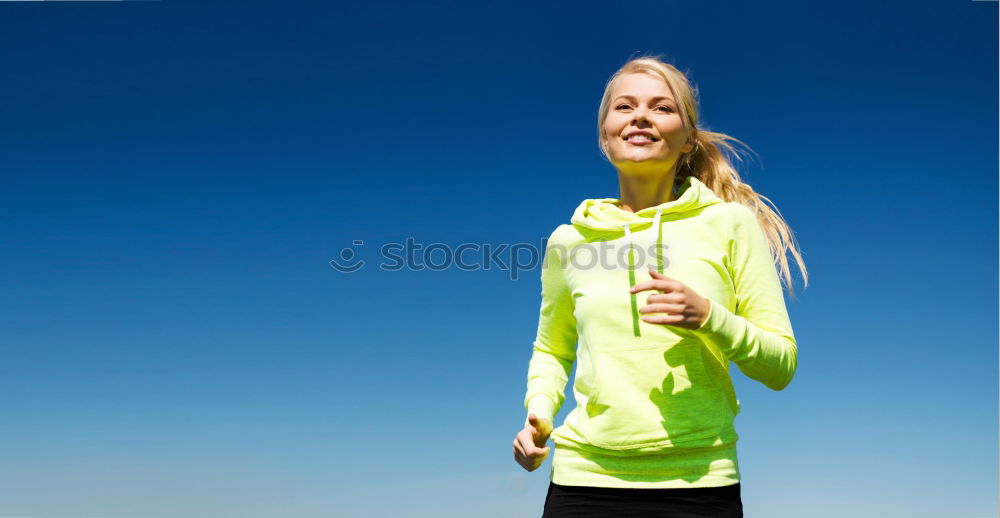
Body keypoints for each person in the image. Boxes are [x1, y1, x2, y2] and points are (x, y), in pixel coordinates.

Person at [512, 55, 808, 518]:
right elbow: (552, 349)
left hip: (700, 483)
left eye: (662, 108)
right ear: (605, 134)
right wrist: (538, 413)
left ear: (688, 137)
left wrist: (710, 317)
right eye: (624, 107)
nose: (641, 117)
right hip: (583, 481)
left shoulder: (729, 225)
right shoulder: (568, 241)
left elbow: (781, 365)